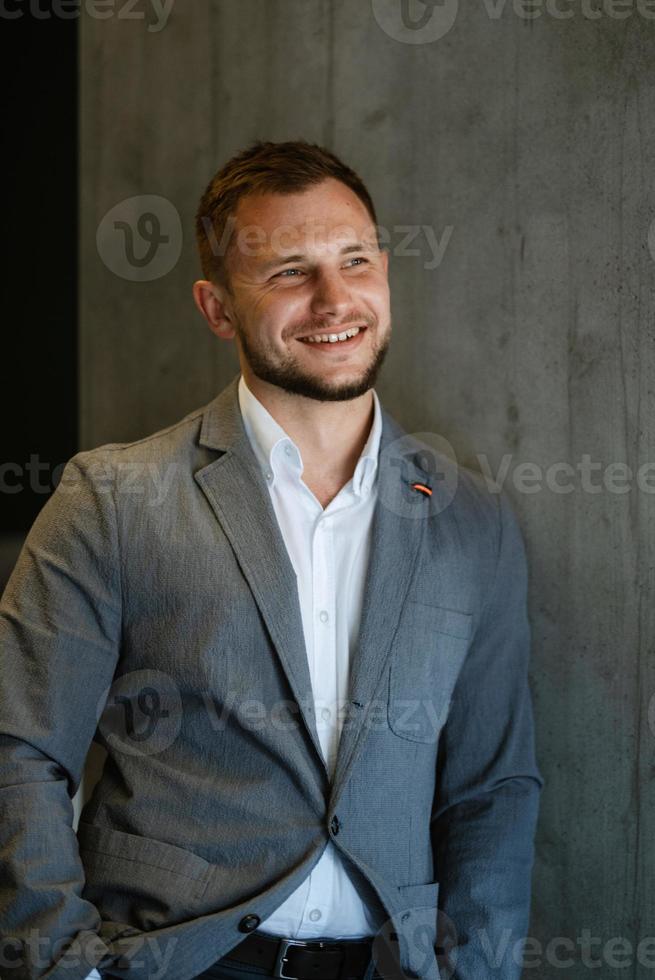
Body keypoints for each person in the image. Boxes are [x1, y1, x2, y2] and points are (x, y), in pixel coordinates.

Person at [0, 140, 543, 980]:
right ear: (217, 309)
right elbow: (21, 750)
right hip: (179, 961)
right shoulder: (111, 499)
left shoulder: (471, 518)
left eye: (353, 260)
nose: (334, 300)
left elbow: (492, 786)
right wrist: (63, 967)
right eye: (289, 272)